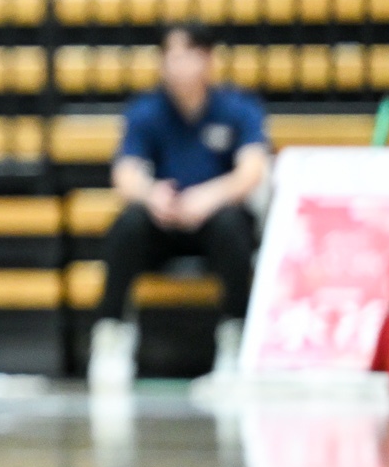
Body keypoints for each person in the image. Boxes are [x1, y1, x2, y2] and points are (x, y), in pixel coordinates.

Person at [89, 24, 270, 394]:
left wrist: (209, 196)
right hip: (166, 223)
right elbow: (125, 173)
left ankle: (235, 337)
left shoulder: (237, 108)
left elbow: (253, 169)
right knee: (127, 225)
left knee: (233, 226)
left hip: (215, 223)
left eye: (189, 56)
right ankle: (112, 336)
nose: (180, 66)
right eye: (172, 57)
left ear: (208, 59)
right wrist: (151, 194)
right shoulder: (147, 111)